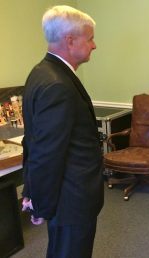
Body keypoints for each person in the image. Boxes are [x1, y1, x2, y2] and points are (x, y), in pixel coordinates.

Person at [21, 5, 104, 258]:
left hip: (66, 196)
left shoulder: (41, 72)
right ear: (70, 40)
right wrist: (40, 205)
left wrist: (31, 191)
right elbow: (46, 153)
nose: (94, 45)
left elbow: (33, 140)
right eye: (90, 38)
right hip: (72, 200)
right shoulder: (57, 84)